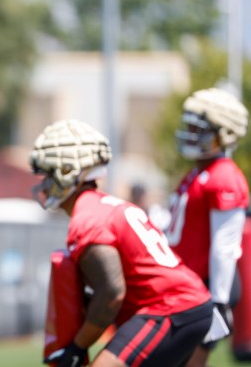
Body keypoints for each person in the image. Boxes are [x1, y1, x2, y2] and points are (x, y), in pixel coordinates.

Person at [30, 119, 214, 367]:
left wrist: (77, 346)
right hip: (187, 304)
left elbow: (112, 293)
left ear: (67, 171)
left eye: (50, 173)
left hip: (169, 308)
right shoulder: (104, 205)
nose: (45, 183)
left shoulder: (88, 218)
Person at [163, 88, 249, 367]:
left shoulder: (223, 176)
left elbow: (225, 246)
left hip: (207, 288)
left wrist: (219, 302)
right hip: (188, 285)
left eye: (198, 129)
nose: (190, 133)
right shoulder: (199, 173)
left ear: (223, 134)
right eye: (188, 126)